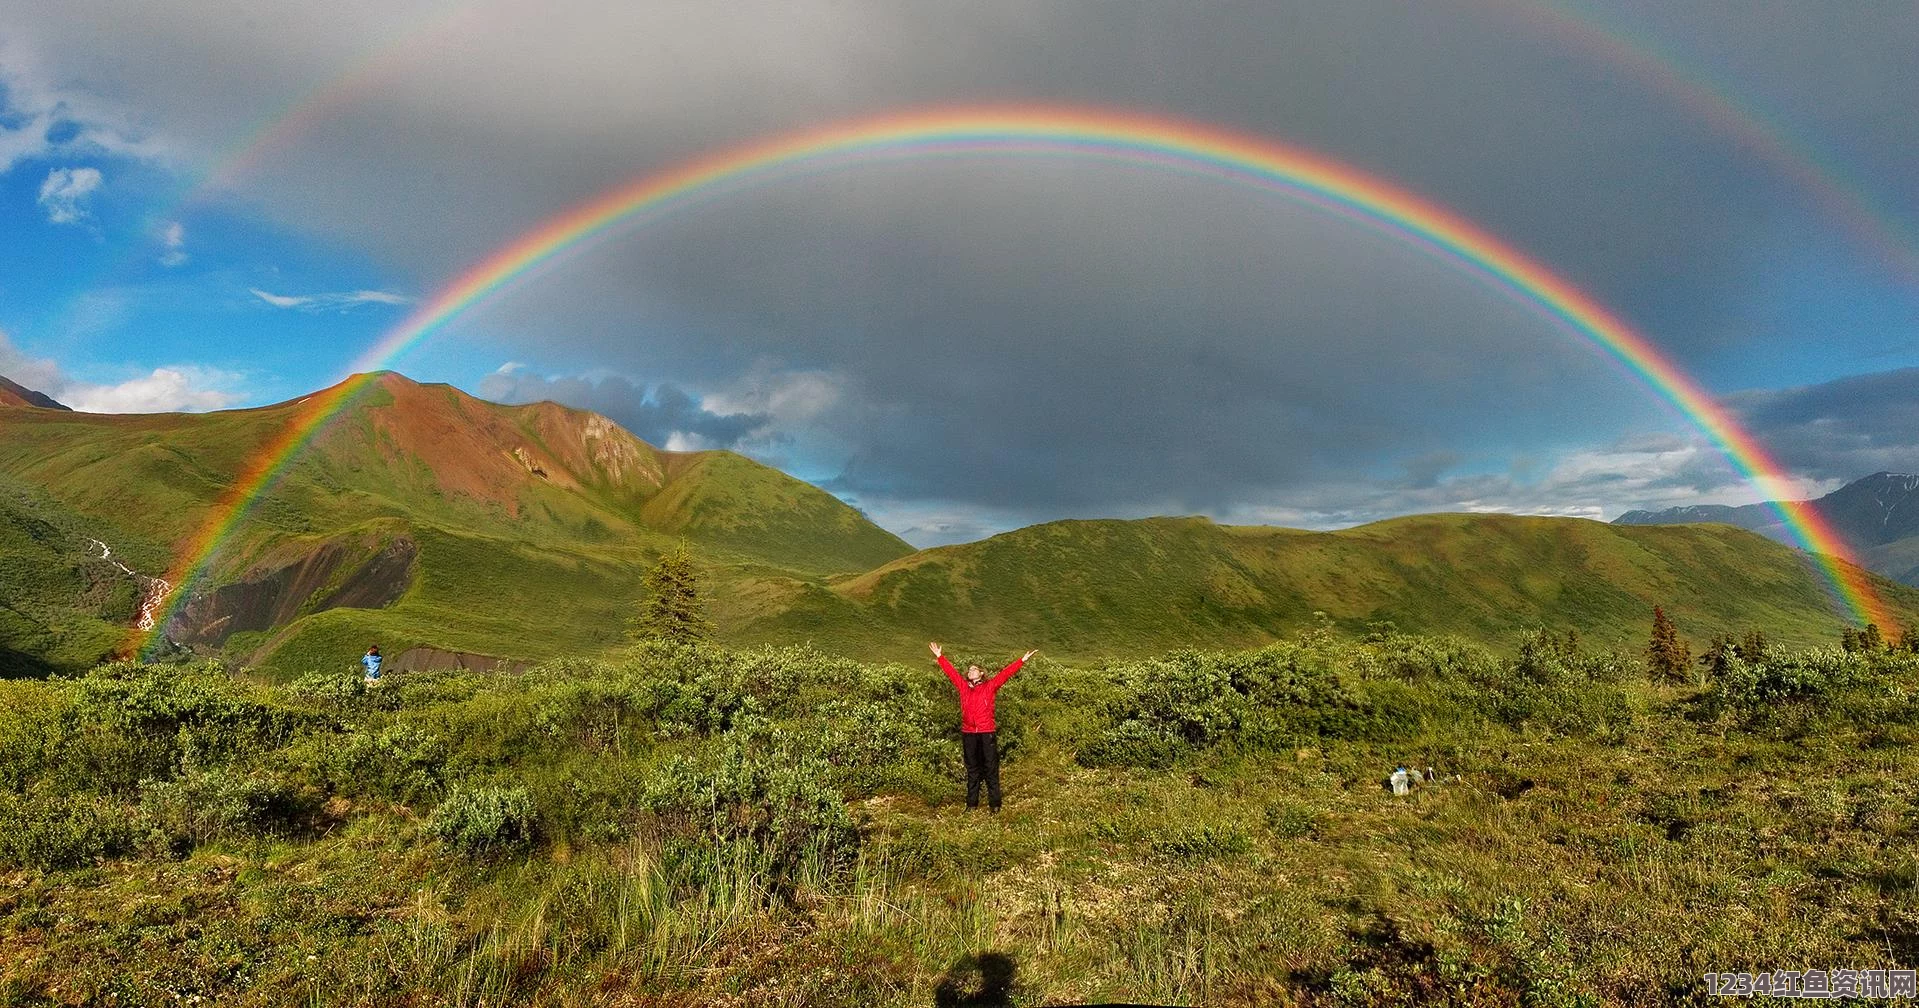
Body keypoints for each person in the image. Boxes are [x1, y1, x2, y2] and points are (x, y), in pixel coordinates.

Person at [930, 641, 1037, 813]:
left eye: (974, 669)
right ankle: (971, 805)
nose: (970, 671)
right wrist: (940, 657)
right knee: (972, 769)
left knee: (990, 768)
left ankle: (995, 805)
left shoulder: (990, 687)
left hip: (986, 732)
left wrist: (1022, 660)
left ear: (981, 673)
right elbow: (952, 674)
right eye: (969, 670)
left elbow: (1005, 674)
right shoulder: (963, 687)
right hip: (969, 733)